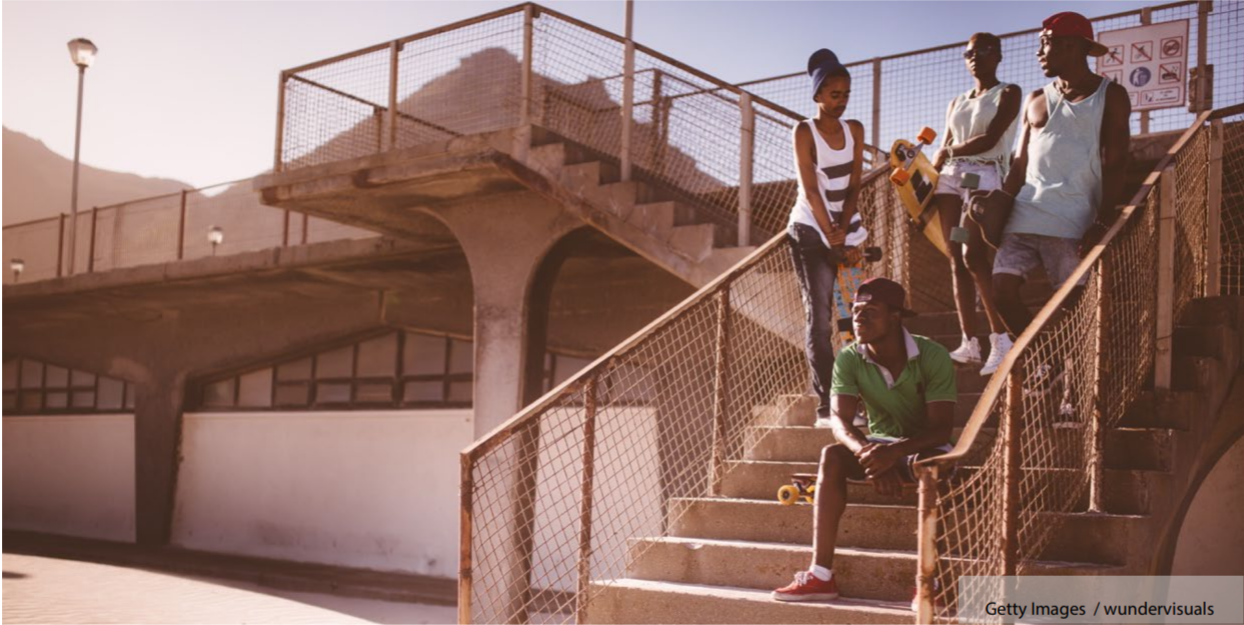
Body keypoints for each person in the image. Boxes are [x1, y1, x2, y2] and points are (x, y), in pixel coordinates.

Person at [772, 278, 956, 602]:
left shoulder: (932, 355)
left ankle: (931, 583)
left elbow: (941, 429)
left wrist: (892, 454)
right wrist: (871, 457)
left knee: (935, 466)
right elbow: (840, 421)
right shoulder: (849, 358)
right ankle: (820, 576)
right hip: (878, 446)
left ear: (896, 316)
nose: (859, 319)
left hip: (923, 448)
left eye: (870, 312)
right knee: (831, 455)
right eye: (856, 312)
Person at [971, 12, 1131, 340]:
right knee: (1001, 291)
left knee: (1074, 304)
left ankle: (1072, 371)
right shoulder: (1036, 99)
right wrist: (998, 202)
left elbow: (1116, 164)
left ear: (1072, 46)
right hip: (1023, 215)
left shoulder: (1110, 95)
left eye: (1045, 43)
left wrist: (1103, 220)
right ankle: (1044, 361)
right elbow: (1019, 165)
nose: (1038, 52)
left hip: (1072, 220)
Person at [931, 33, 1022, 376]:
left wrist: (949, 153)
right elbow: (943, 146)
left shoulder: (1008, 92)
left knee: (973, 254)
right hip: (950, 180)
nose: (974, 58)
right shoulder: (957, 101)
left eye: (982, 52)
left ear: (997, 55)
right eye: (968, 53)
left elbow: (992, 137)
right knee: (956, 257)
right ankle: (970, 342)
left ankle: (1001, 338)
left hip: (980, 177)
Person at [787, 48, 869, 424]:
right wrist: (830, 236)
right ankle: (827, 406)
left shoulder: (855, 129)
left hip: (843, 226)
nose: (841, 101)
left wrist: (845, 230)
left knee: (859, 317)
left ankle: (863, 399)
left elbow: (854, 185)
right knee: (819, 318)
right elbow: (811, 189)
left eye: (846, 94)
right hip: (810, 228)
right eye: (834, 94)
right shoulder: (804, 131)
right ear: (818, 95)